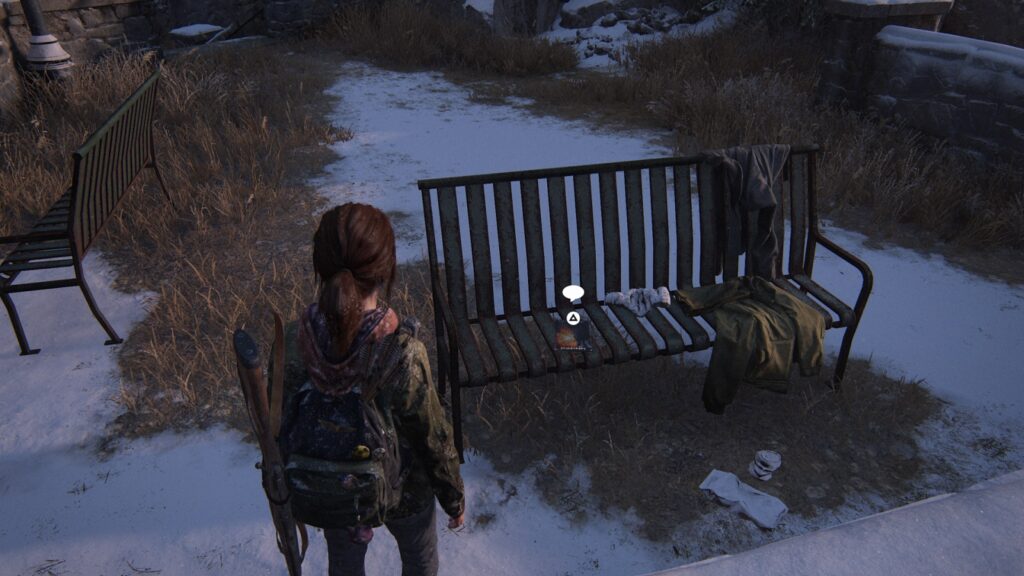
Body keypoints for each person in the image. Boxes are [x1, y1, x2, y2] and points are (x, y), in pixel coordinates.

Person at [283, 203, 465, 576]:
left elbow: (281, 425)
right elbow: (432, 437)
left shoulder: (294, 342)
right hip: (405, 491)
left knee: (344, 564)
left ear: (321, 267)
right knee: (419, 559)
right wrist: (453, 498)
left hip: (334, 488)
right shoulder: (402, 353)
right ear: (385, 271)